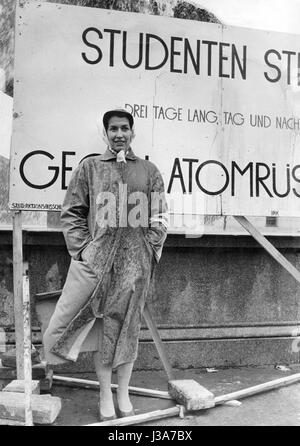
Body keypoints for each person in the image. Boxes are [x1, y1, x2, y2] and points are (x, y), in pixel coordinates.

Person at [43, 108, 168, 421]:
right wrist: (85, 251)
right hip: (99, 268)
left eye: (124, 128)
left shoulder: (149, 170)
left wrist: (149, 250)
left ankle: (123, 392)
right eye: (113, 129)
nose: (119, 134)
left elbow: (161, 217)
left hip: (135, 268)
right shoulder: (91, 168)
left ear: (132, 132)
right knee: (102, 331)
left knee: (128, 331)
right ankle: (103, 394)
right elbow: (71, 214)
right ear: (105, 133)